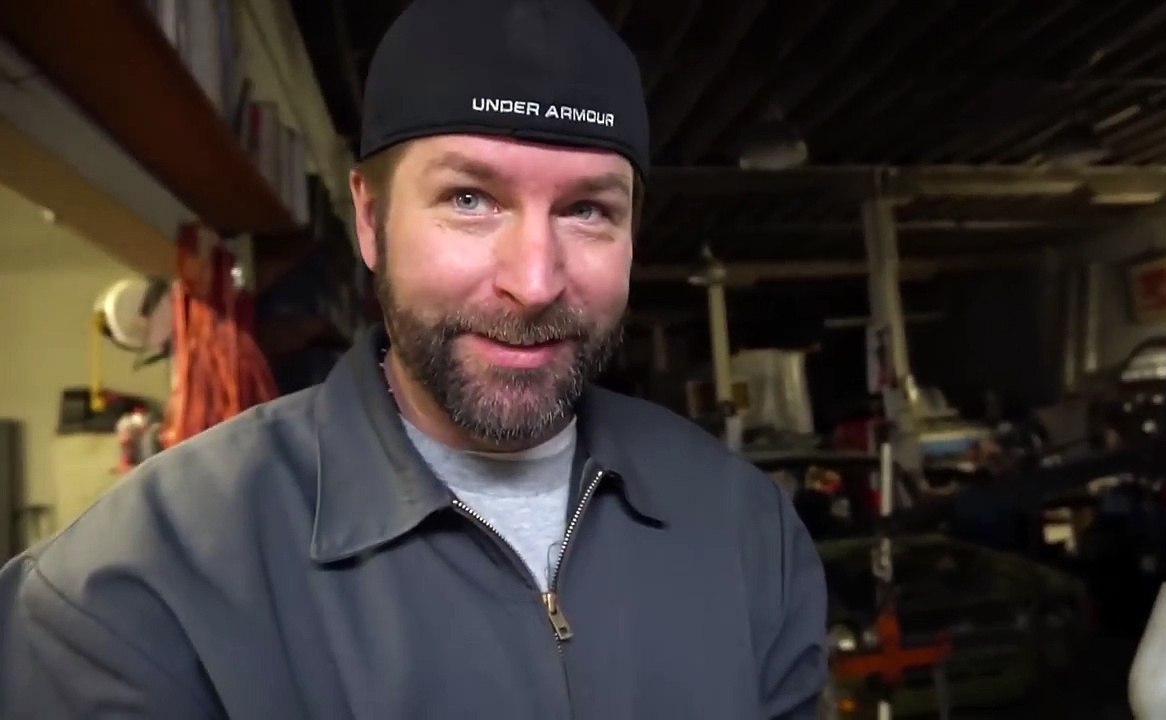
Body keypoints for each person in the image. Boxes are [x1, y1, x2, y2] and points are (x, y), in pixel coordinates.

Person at [0, 0, 828, 717]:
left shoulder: (748, 532)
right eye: (470, 199)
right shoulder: (130, 593)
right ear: (370, 220)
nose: (534, 282)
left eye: (586, 210)